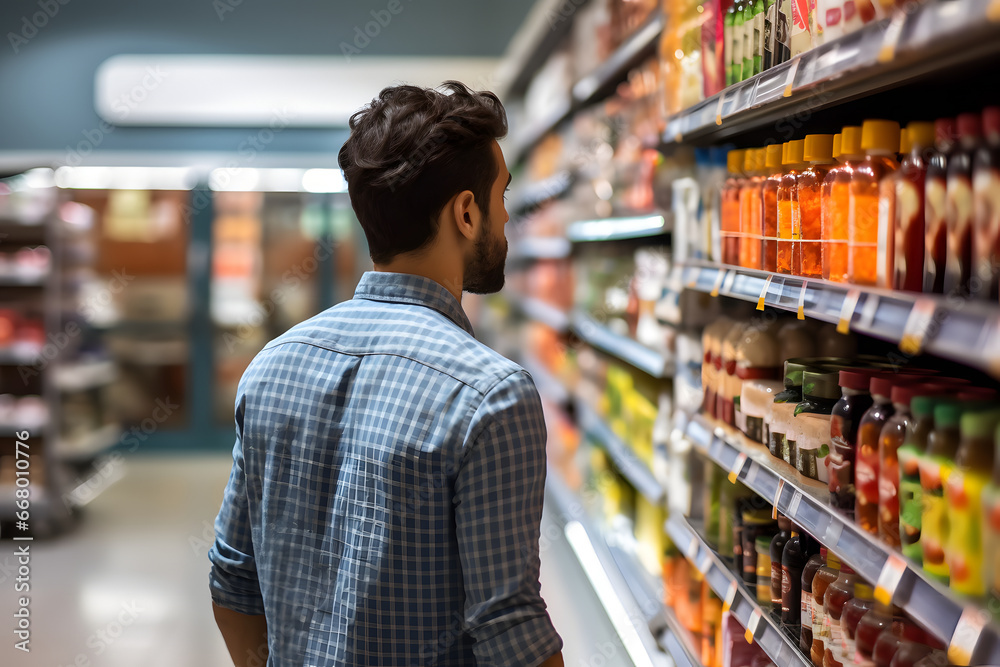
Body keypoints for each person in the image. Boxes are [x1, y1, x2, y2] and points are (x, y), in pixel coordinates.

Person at [208, 81, 565, 667]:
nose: (507, 217)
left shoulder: (270, 366)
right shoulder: (490, 397)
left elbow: (233, 578)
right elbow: (510, 630)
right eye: (501, 196)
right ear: (467, 213)